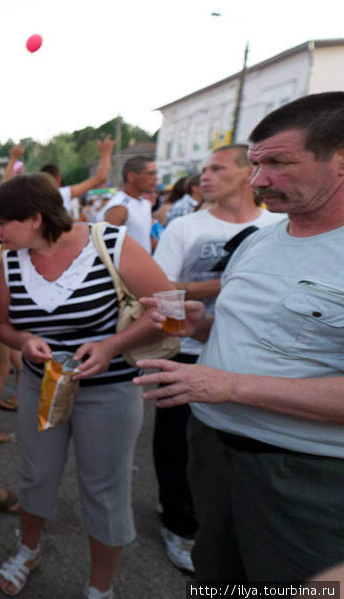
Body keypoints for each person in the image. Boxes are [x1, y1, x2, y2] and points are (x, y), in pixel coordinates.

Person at [135, 92, 344, 582]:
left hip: (300, 477)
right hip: (213, 453)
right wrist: (202, 325)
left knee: (295, 590)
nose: (258, 180)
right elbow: (271, 333)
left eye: (278, 163)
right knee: (216, 580)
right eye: (254, 164)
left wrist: (230, 387)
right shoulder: (261, 241)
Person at [0, 173, 174, 598]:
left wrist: (111, 346)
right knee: (36, 475)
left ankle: (99, 587)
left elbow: (167, 307)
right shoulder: (9, 258)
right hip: (44, 385)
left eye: (1, 223)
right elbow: (3, 327)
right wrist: (24, 341)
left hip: (109, 390)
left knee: (106, 487)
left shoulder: (109, 243)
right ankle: (28, 550)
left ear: (35, 218)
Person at [149, 144, 286, 573]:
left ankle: (225, 525)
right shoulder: (184, 228)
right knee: (175, 445)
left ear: (249, 174)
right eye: (203, 169)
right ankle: (179, 525)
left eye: (217, 168)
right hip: (188, 351)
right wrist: (228, 287)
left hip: (253, 354)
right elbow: (162, 287)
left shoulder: (279, 226)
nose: (204, 176)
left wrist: (221, 288)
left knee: (239, 451)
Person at [38, 135, 116, 218]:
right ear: (58, 178)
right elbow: (101, 178)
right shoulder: (62, 194)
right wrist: (106, 153)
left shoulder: (33, 198)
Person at [100, 156, 158, 251]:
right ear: (131, 176)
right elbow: (105, 246)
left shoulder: (145, 204)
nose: (155, 178)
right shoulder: (119, 207)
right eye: (150, 173)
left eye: (155, 173)